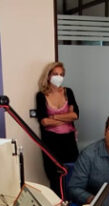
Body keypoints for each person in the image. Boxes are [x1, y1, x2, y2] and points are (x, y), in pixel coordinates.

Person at [35, 61, 80, 196]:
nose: (59, 77)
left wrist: (54, 117)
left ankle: (72, 203)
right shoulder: (41, 95)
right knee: (55, 178)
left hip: (69, 141)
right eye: (55, 74)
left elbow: (75, 115)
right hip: (51, 142)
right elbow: (44, 121)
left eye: (61, 74)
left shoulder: (68, 92)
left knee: (72, 174)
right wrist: (65, 117)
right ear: (48, 75)